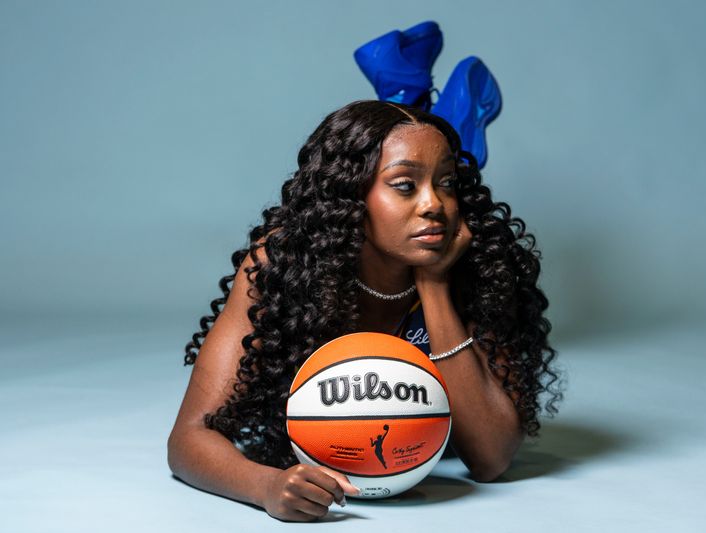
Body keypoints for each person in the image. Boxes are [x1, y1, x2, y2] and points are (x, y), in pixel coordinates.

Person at [168, 100, 562, 522]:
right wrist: (264, 485)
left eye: (446, 183)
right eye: (405, 185)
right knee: (405, 129)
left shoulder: (474, 265)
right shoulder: (283, 266)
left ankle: (423, 99)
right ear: (352, 194)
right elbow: (188, 439)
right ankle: (409, 90)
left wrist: (434, 286)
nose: (435, 205)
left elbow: (491, 459)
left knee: (419, 132)